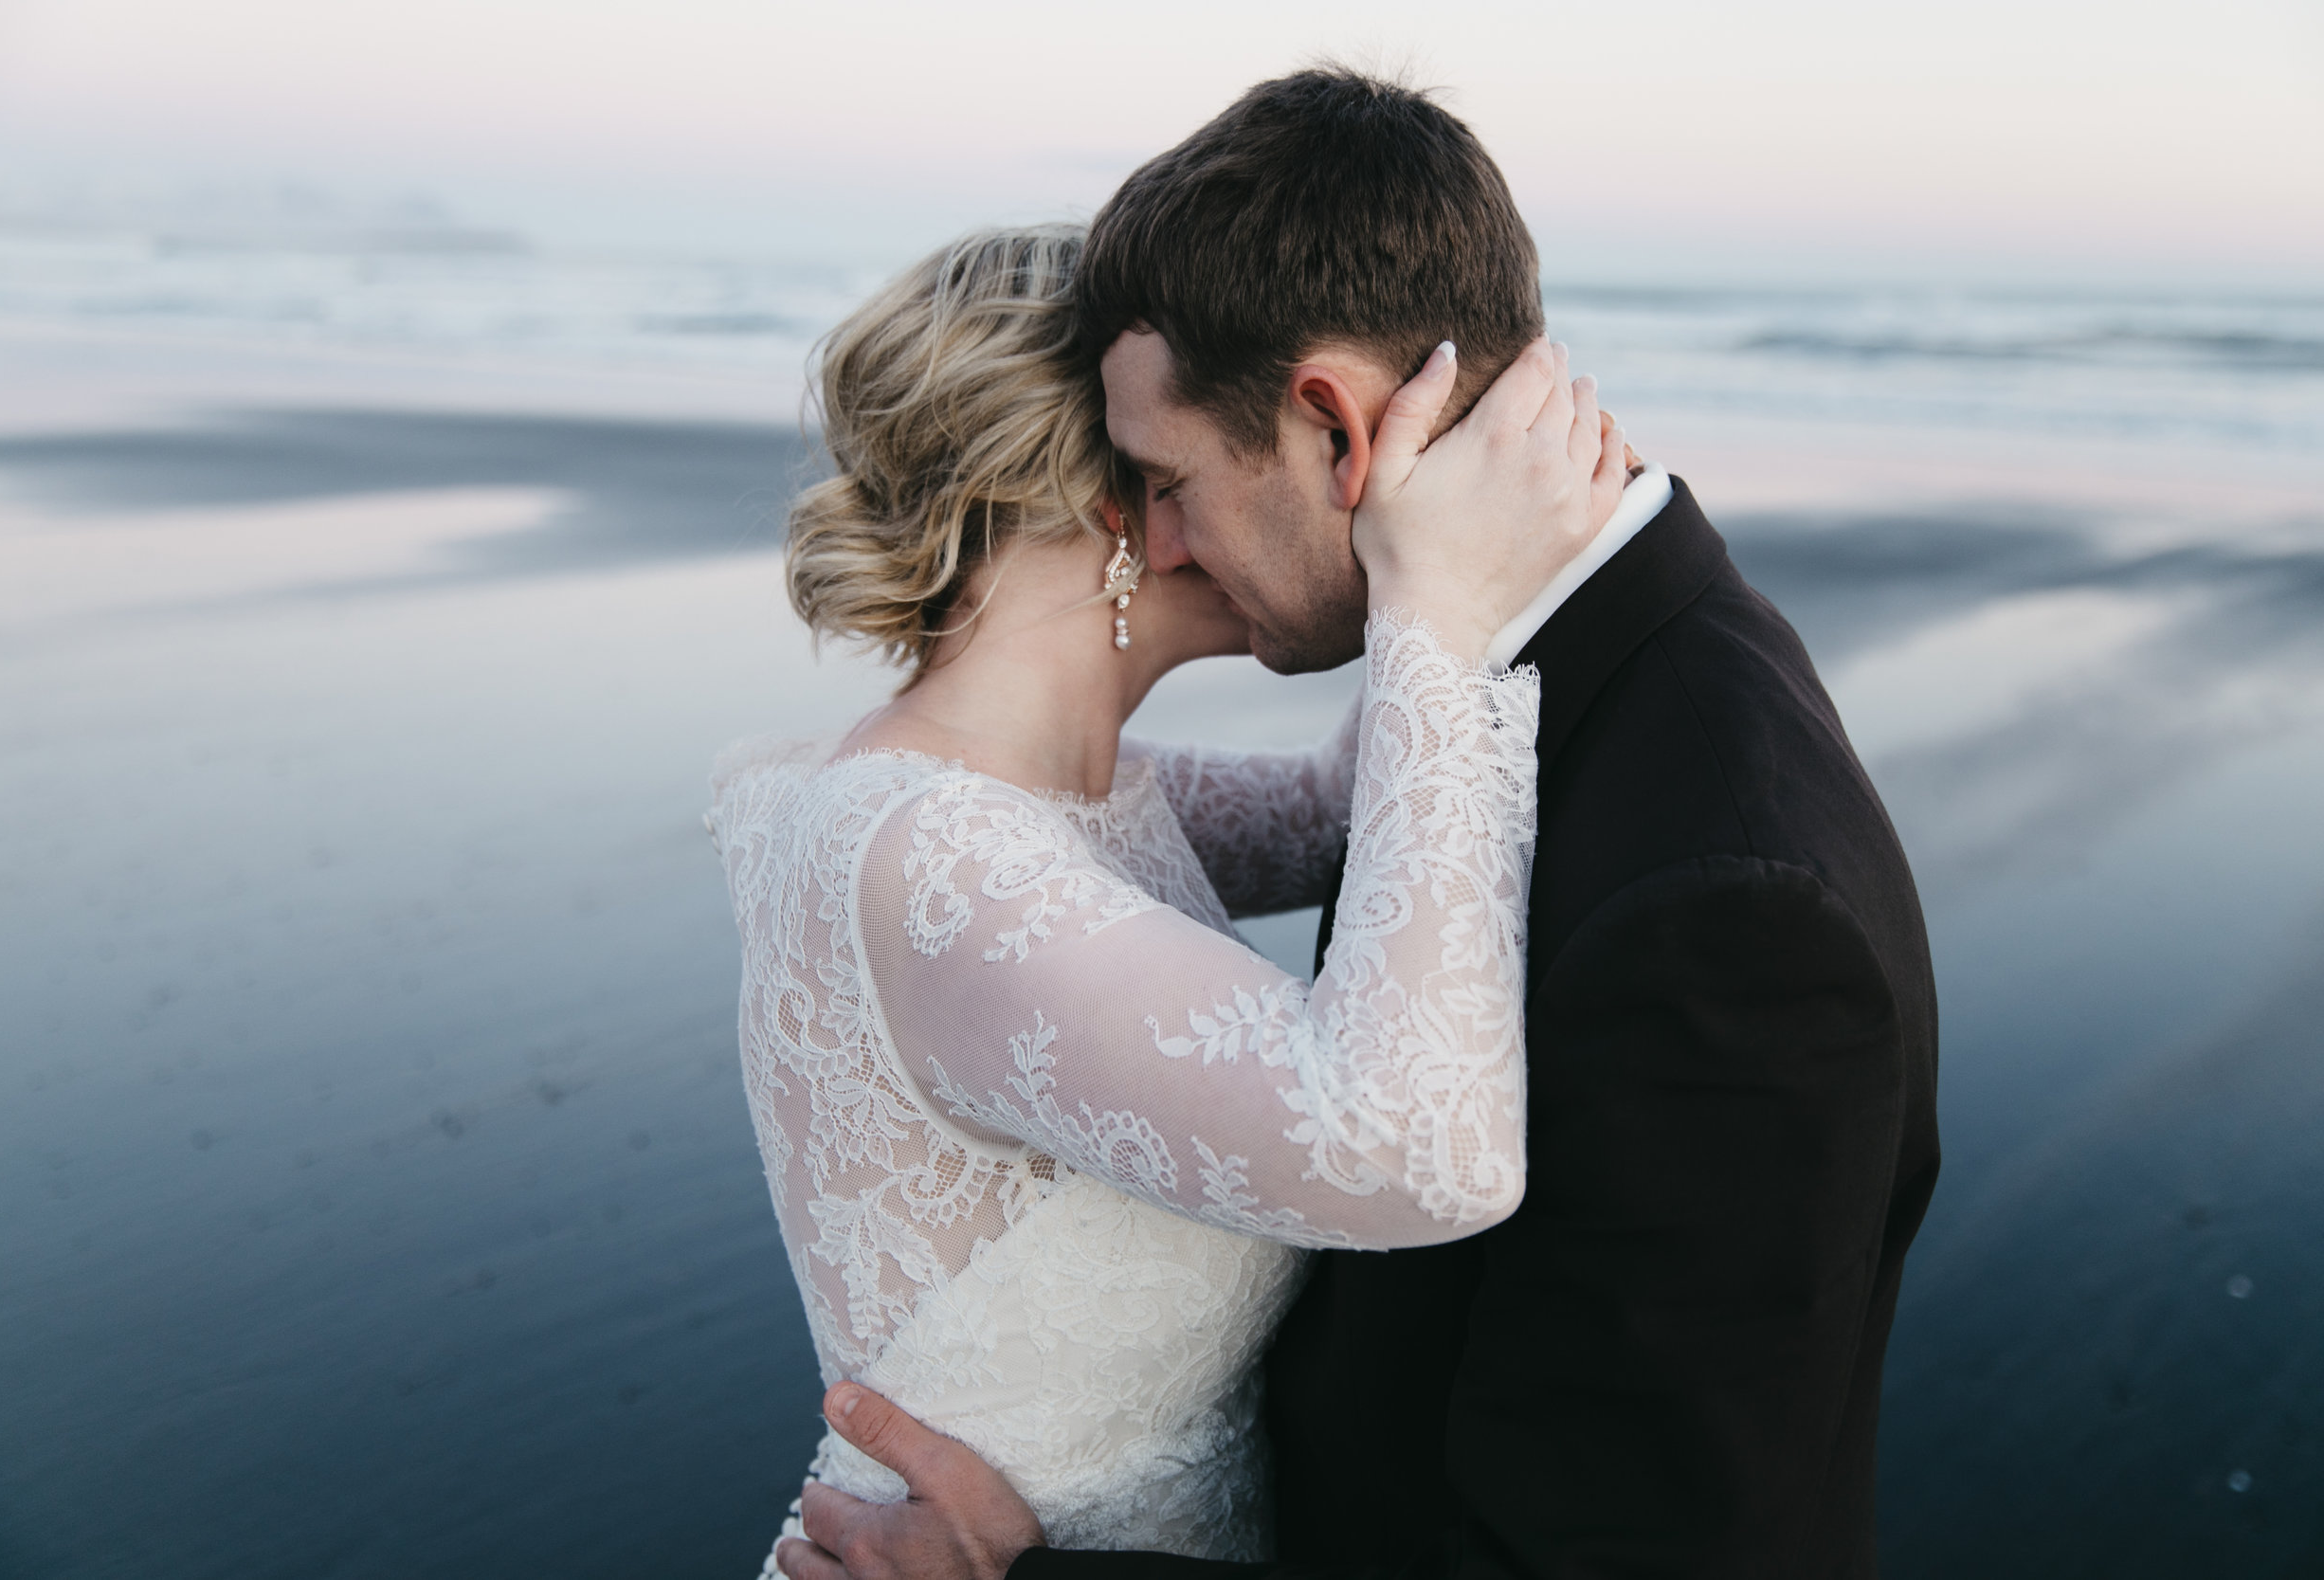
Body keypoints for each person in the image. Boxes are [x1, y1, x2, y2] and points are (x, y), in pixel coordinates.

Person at [772, 69, 1941, 1580]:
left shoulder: (1725, 906)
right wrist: (1436, 618)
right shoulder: (1560, 694)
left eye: (1172, 479)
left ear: (1332, 423)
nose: (1164, 532)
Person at [707, 220, 1629, 1578]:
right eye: (1211, 453)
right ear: (1120, 505)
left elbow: (1340, 819)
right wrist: (1430, 609)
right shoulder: (936, 859)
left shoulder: (1061, 796)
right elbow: (1423, 1148)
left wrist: (1464, 514)